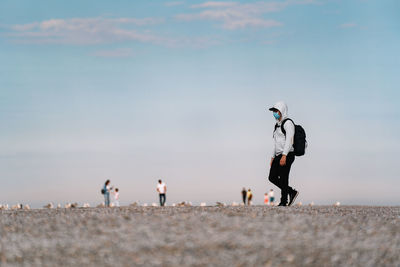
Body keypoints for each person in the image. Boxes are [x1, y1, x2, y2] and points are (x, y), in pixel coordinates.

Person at [268, 101, 299, 206]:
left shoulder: (288, 123)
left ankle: (283, 201)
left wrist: (284, 155)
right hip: (278, 155)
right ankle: (291, 191)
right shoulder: (277, 125)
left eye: (276, 111)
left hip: (287, 154)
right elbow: (275, 143)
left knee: (284, 177)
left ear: (282, 111)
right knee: (272, 177)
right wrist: (272, 157)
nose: (274, 113)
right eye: (274, 111)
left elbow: (290, 140)